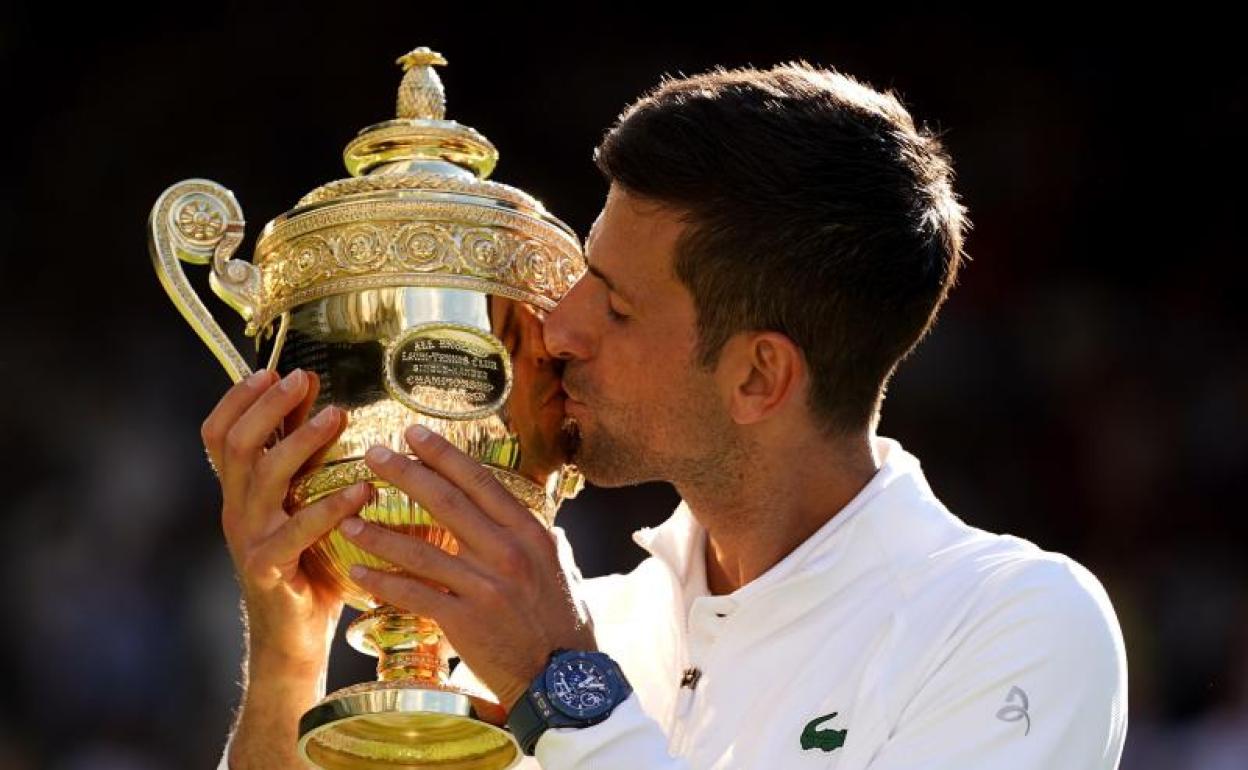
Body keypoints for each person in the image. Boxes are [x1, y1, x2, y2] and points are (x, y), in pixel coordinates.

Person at [205, 62, 1127, 769]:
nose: (558, 330)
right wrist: (292, 651)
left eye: (614, 304)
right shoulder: (575, 628)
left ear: (759, 377)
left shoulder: (1015, 625)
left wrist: (559, 690)